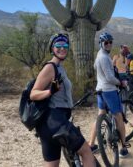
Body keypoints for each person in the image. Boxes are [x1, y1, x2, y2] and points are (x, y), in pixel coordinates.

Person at [30, 33, 96, 167]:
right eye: (58, 45)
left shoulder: (59, 68)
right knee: (87, 152)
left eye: (65, 45)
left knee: (52, 164)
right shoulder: (50, 67)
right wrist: (50, 92)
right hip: (56, 121)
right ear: (52, 48)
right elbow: (33, 94)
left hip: (47, 126)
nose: (62, 48)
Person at [88, 32, 130, 158]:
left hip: (100, 90)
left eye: (110, 42)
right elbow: (110, 78)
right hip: (109, 91)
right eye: (106, 42)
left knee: (100, 115)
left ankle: (91, 144)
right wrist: (121, 83)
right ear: (101, 43)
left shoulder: (99, 55)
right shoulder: (105, 58)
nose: (108, 44)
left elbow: (96, 67)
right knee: (118, 116)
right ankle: (123, 146)